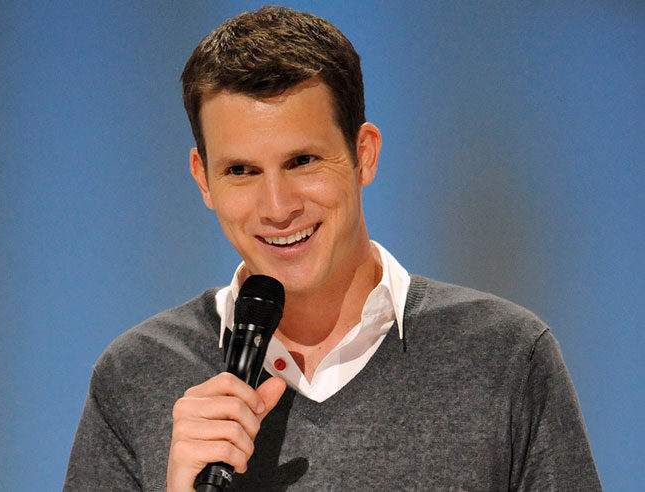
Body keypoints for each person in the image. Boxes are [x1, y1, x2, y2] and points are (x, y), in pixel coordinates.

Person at [64, 6, 601, 491]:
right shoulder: (134, 376)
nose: (277, 207)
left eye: (302, 162)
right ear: (203, 179)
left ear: (364, 154)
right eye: (242, 170)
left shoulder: (506, 356)